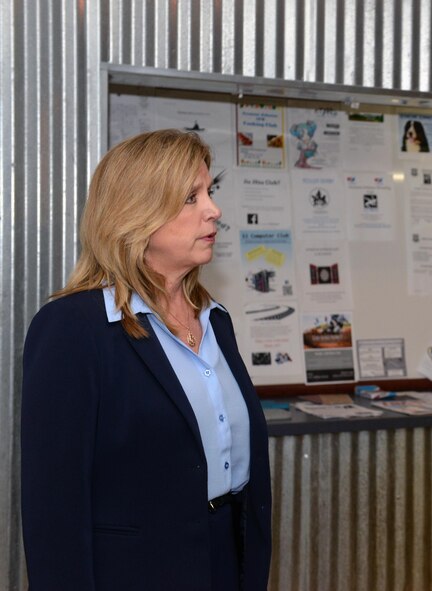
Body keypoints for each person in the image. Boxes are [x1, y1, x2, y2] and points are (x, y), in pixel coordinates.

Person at [21, 130, 272, 590]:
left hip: (226, 559)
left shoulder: (215, 318)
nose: (213, 210)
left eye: (209, 192)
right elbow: (54, 508)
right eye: (191, 198)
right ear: (137, 213)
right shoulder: (74, 328)